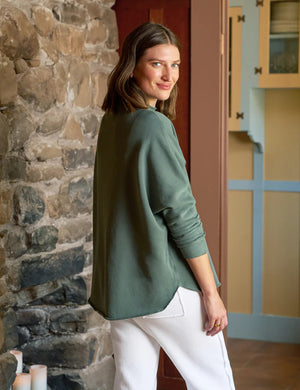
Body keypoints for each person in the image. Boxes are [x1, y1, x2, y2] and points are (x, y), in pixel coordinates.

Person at [89, 22, 235, 390]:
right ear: (133, 66)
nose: (169, 75)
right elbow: (182, 216)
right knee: (214, 383)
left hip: (122, 291)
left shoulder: (112, 123)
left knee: (133, 385)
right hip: (165, 287)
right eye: (157, 64)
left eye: (176, 65)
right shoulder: (154, 126)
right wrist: (211, 293)